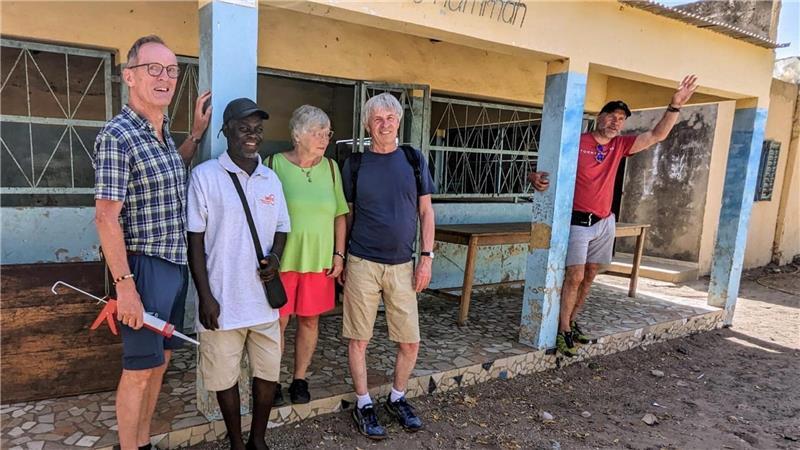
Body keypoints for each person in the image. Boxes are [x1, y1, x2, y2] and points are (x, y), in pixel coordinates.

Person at [94, 35, 210, 450]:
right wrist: (125, 287)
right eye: (154, 69)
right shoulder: (118, 134)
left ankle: (142, 443)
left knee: (161, 363)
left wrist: (195, 136)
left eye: (172, 71)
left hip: (174, 266)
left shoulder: (159, 134)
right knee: (140, 368)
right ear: (129, 76)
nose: (165, 78)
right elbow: (106, 216)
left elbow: (169, 171)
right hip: (143, 269)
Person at [529, 75, 698, 357]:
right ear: (600, 117)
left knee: (591, 274)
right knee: (574, 275)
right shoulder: (574, 141)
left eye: (621, 119)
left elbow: (656, 135)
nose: (616, 122)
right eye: (611, 116)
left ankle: (571, 321)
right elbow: (542, 167)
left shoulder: (619, 146)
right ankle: (562, 331)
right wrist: (534, 176)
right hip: (578, 221)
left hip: (604, 221)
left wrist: (675, 105)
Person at [187, 97, 289, 450]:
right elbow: (194, 243)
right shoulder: (204, 177)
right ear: (227, 130)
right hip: (222, 303)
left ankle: (257, 440)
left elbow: (282, 228)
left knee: (267, 374)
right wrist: (205, 296)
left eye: (257, 129)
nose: (252, 135)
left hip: (263, 303)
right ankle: (234, 442)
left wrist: (275, 257)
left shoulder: (270, 180)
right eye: (244, 128)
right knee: (223, 377)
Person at [341, 93, 436, 440]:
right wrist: (342, 259)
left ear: (399, 122)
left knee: (410, 341)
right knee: (359, 339)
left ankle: (397, 397)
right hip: (362, 262)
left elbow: (426, 212)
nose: (384, 124)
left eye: (390, 118)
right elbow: (347, 216)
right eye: (377, 119)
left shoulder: (412, 159)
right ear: (368, 124)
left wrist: (426, 257)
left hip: (402, 265)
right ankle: (364, 403)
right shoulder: (355, 164)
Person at [267, 105, 349, 406]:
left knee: (310, 321)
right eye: (316, 132)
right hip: (283, 260)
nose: (323, 138)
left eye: (326, 133)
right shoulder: (274, 164)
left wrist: (339, 255)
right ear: (297, 134)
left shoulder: (330, 168)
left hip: (319, 261)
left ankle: (299, 379)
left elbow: (340, 214)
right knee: (278, 322)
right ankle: (270, 380)